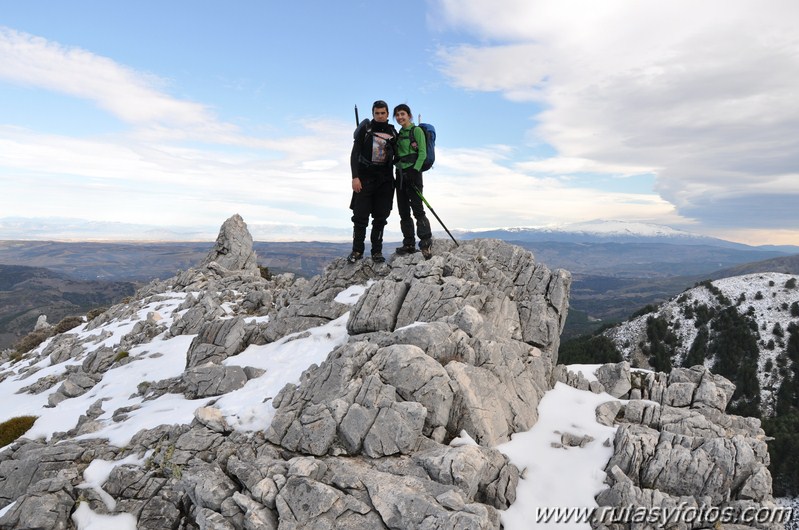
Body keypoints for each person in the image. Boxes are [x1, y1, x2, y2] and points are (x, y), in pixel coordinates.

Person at [348, 100, 398, 263]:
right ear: (373, 113)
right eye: (377, 113)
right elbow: (355, 154)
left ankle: (377, 251)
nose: (380, 116)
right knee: (360, 217)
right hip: (365, 179)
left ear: (387, 114)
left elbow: (398, 155)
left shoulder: (393, 131)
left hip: (385, 180)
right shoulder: (365, 129)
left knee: (381, 217)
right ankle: (357, 251)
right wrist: (355, 177)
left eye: (383, 113)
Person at [393, 103, 433, 258]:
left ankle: (425, 243)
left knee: (417, 209)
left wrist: (414, 171)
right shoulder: (398, 134)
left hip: (413, 174)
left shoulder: (416, 131)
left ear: (409, 115)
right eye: (397, 115)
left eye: (402, 114)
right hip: (400, 174)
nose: (400, 117)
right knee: (403, 210)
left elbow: (422, 153)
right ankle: (408, 243)